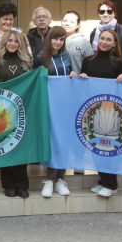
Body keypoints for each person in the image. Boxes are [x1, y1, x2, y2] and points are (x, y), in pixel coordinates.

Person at [79, 29, 122, 197]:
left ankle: (111, 183)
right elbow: (83, 83)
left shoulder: (118, 62)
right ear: (97, 40)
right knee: (95, 146)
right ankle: (102, 179)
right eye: (102, 38)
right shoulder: (87, 60)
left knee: (108, 147)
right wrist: (82, 76)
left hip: (111, 112)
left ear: (114, 43)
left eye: (109, 40)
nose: (105, 42)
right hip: (92, 110)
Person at [0, 30, 32, 198]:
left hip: (22, 111)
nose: (13, 43)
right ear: (4, 43)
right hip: (2, 113)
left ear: (20, 43)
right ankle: (8, 185)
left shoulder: (27, 63)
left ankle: (22, 184)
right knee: (4, 148)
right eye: (9, 41)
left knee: (20, 148)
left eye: (16, 41)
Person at [40, 26, 76, 198]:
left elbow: (70, 74)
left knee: (64, 141)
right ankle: (48, 180)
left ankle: (60, 179)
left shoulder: (66, 57)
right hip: (48, 105)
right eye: (55, 38)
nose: (58, 42)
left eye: (61, 39)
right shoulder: (40, 57)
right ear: (49, 39)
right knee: (53, 142)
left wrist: (74, 75)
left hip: (65, 105)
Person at [89, 0, 122, 75]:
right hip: (98, 73)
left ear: (114, 14)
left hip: (119, 75)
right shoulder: (94, 32)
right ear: (98, 14)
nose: (105, 14)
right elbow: (92, 55)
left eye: (109, 11)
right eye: (102, 12)